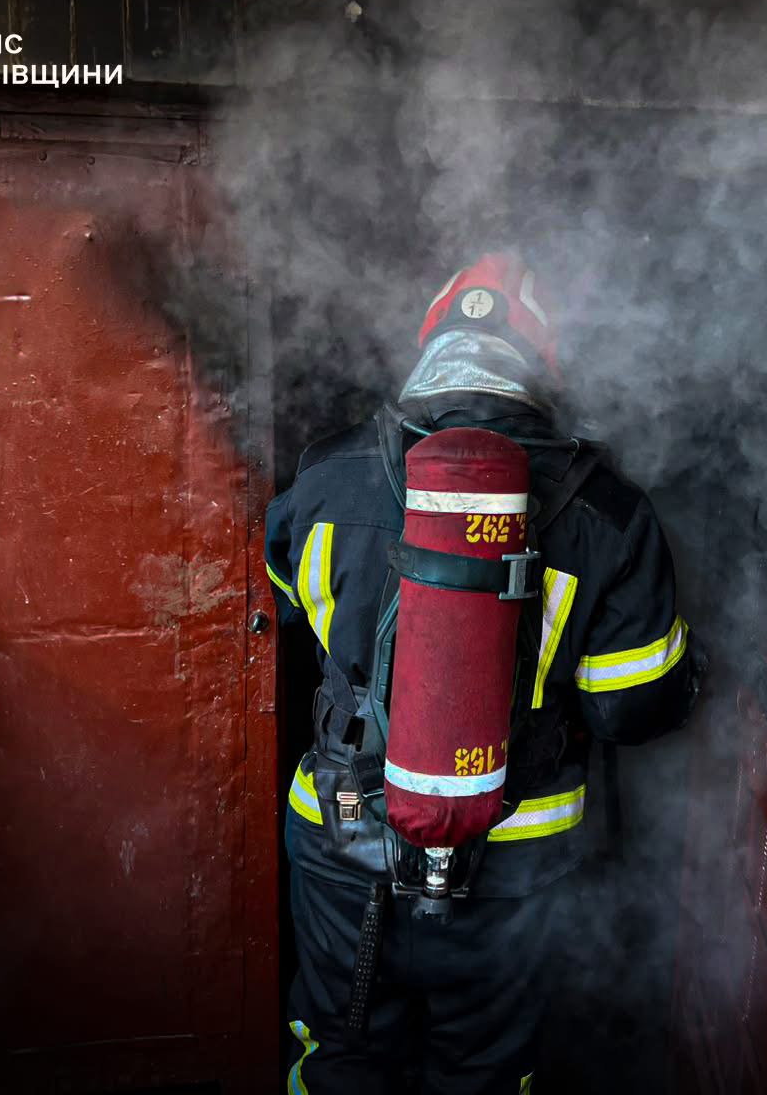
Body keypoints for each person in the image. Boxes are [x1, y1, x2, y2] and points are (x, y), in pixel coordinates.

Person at [265, 253, 697, 1094]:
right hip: (516, 861)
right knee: (489, 1074)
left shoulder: (325, 474)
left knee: (341, 1058)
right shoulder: (608, 511)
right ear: (544, 365)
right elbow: (630, 707)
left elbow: (291, 604)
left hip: (344, 837)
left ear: (427, 349)